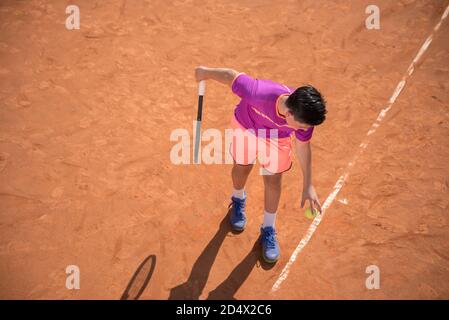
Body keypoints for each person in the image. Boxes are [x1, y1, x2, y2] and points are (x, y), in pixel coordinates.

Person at [194, 66, 327, 263]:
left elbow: (303, 146)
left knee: (272, 179)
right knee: (242, 167)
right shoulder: (258, 92)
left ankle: (268, 228)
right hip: (246, 126)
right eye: (301, 126)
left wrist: (308, 184)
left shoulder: (303, 119)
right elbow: (230, 76)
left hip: (277, 138)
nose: (304, 130)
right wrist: (205, 72)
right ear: (289, 113)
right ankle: (238, 200)